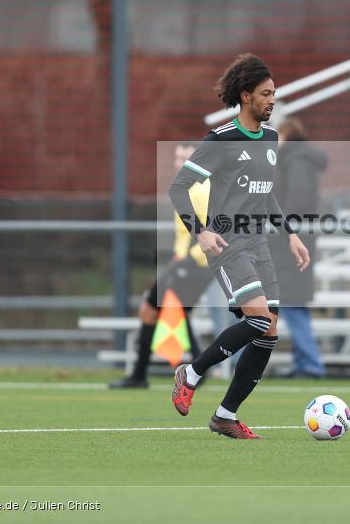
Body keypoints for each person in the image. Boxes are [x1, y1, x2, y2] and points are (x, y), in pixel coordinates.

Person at [168, 53, 310, 439]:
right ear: (246, 95)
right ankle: (191, 372)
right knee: (258, 319)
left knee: (269, 331)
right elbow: (178, 187)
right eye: (266, 94)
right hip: (228, 244)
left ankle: (225, 415)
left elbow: (265, 196)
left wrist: (291, 234)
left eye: (274, 93)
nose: (272, 100)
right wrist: (199, 230)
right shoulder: (221, 140)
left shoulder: (269, 138)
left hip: (260, 243)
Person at [108, 143, 208, 389]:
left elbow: (216, 230)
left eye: (185, 157)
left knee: (150, 310)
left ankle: (140, 375)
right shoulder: (189, 187)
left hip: (196, 264)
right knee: (178, 311)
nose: (178, 162)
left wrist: (188, 259)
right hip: (190, 262)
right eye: (177, 157)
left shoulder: (201, 191)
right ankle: (199, 368)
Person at [271, 116, 328, 379]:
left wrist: (282, 228)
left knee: (293, 304)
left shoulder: (295, 162)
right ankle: (304, 361)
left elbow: (296, 202)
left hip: (293, 243)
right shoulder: (300, 161)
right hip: (296, 241)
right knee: (293, 304)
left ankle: (311, 363)